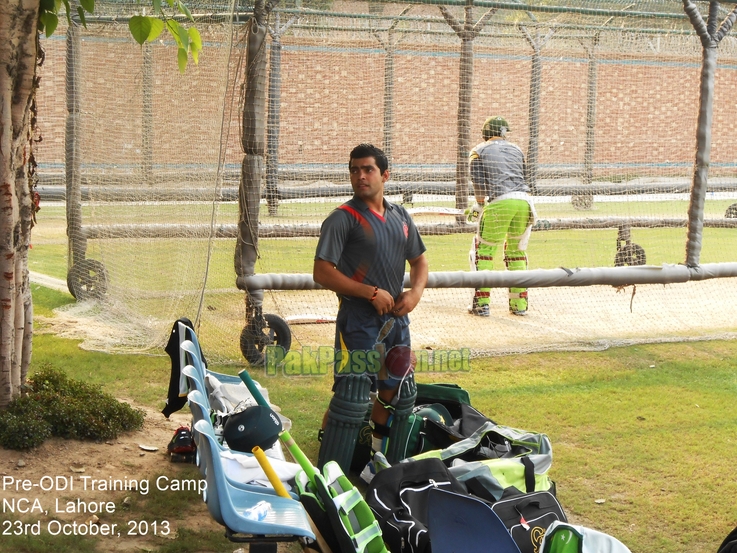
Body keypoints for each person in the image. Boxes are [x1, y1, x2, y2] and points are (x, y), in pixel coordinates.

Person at [313, 143, 428, 467]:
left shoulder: (401, 217)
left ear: (385, 174)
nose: (360, 176)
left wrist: (414, 294)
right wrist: (368, 292)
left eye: (367, 169)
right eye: (354, 170)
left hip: (396, 321)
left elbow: (419, 262)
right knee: (352, 395)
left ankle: (378, 455)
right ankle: (330, 459)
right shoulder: (342, 219)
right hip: (359, 320)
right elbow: (322, 272)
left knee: (396, 390)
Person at [468, 116, 536, 317]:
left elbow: (479, 182)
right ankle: (519, 306)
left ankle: (481, 304)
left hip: (500, 203)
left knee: (484, 251)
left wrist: (479, 205)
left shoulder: (478, 151)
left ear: (485, 132)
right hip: (525, 203)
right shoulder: (517, 149)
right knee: (516, 253)